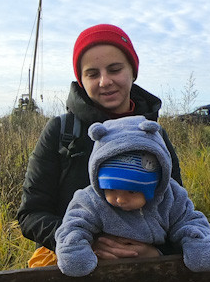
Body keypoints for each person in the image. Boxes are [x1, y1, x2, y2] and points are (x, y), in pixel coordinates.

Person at [17, 23, 183, 267]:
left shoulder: (154, 135)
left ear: (133, 72)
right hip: (72, 268)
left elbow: (177, 211)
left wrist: (156, 254)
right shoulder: (61, 132)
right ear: (81, 80)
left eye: (115, 69)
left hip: (143, 271)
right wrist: (82, 242)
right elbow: (31, 214)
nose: (105, 81)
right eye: (92, 74)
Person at [55, 116, 210, 277]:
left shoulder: (170, 197)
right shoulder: (91, 200)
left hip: (157, 270)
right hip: (105, 272)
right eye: (110, 190)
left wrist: (198, 246)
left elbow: (189, 220)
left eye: (131, 191)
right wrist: (76, 251)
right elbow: (74, 225)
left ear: (154, 185)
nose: (119, 199)